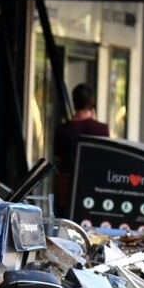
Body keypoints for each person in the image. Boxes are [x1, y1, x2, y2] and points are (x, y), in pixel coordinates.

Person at [53, 83, 109, 218]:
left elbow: (58, 157)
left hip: (66, 189)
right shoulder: (101, 129)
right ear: (92, 102)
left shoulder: (63, 129)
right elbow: (106, 158)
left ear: (74, 101)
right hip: (95, 187)